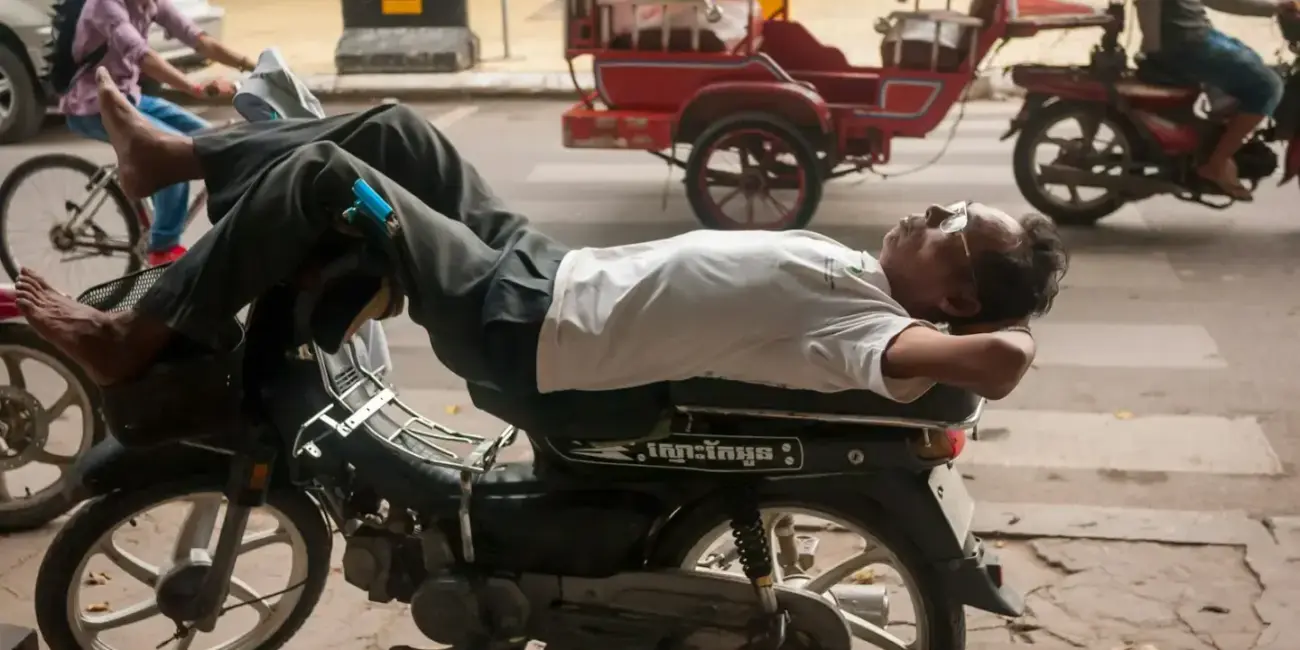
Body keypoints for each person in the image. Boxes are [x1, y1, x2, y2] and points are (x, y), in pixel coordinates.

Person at [16, 69, 1068, 437]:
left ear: (957, 291)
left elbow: (1000, 363)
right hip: (548, 268)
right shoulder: (865, 278)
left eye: (951, 229)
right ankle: (180, 158)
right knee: (391, 130)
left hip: (527, 326)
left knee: (333, 181)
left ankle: (136, 331)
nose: (928, 213)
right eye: (944, 204)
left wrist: (981, 326)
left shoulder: (872, 329)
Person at [59, 0, 258, 266]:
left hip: (130, 96)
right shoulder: (104, 6)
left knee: (214, 139)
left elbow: (199, 40)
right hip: (92, 104)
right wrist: (194, 88)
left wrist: (254, 66)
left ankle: (160, 206)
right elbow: (143, 56)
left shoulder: (150, 3)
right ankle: (162, 248)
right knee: (173, 157)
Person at [1135, 0, 1300, 200]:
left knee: (1252, 63)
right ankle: (1217, 163)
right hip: (1184, 43)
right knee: (1268, 86)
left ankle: (1218, 134)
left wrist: (1275, 8)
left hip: (1191, 36)